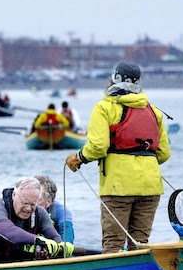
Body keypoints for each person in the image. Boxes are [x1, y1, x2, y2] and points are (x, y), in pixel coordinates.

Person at [66, 61, 171, 253]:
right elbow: (164, 153)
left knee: (113, 243)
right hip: (151, 185)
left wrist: (79, 157)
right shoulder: (154, 112)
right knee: (140, 243)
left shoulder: (104, 107)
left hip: (118, 186)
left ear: (113, 80)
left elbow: (98, 147)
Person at [0, 176, 73, 266]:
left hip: (13, 269)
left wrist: (61, 246)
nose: (28, 209)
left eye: (33, 204)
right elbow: (10, 232)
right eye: (25, 203)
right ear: (14, 195)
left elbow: (53, 236)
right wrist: (37, 240)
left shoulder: (40, 213)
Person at [34, 174, 74, 243]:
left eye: (36, 198)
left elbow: (67, 236)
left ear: (48, 201)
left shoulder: (61, 211)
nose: (31, 202)